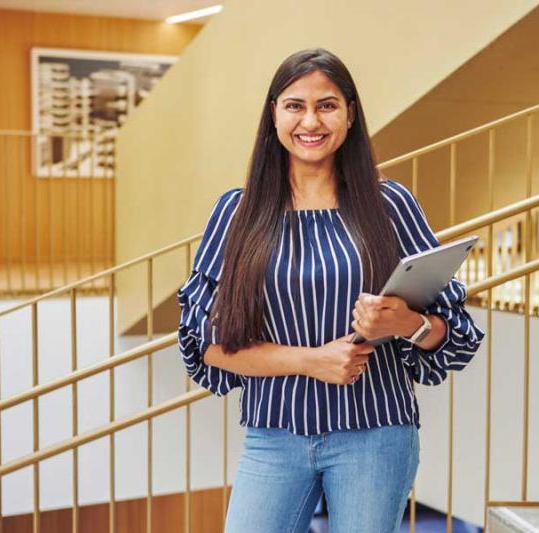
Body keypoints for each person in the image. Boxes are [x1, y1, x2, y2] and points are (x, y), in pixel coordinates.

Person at [177, 48, 484, 533]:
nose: (311, 121)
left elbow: (457, 335)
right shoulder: (236, 213)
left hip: (377, 436)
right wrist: (309, 360)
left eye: (327, 104)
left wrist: (404, 323)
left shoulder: (390, 204)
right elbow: (205, 344)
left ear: (349, 115)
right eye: (295, 105)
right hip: (274, 435)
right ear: (274, 114)